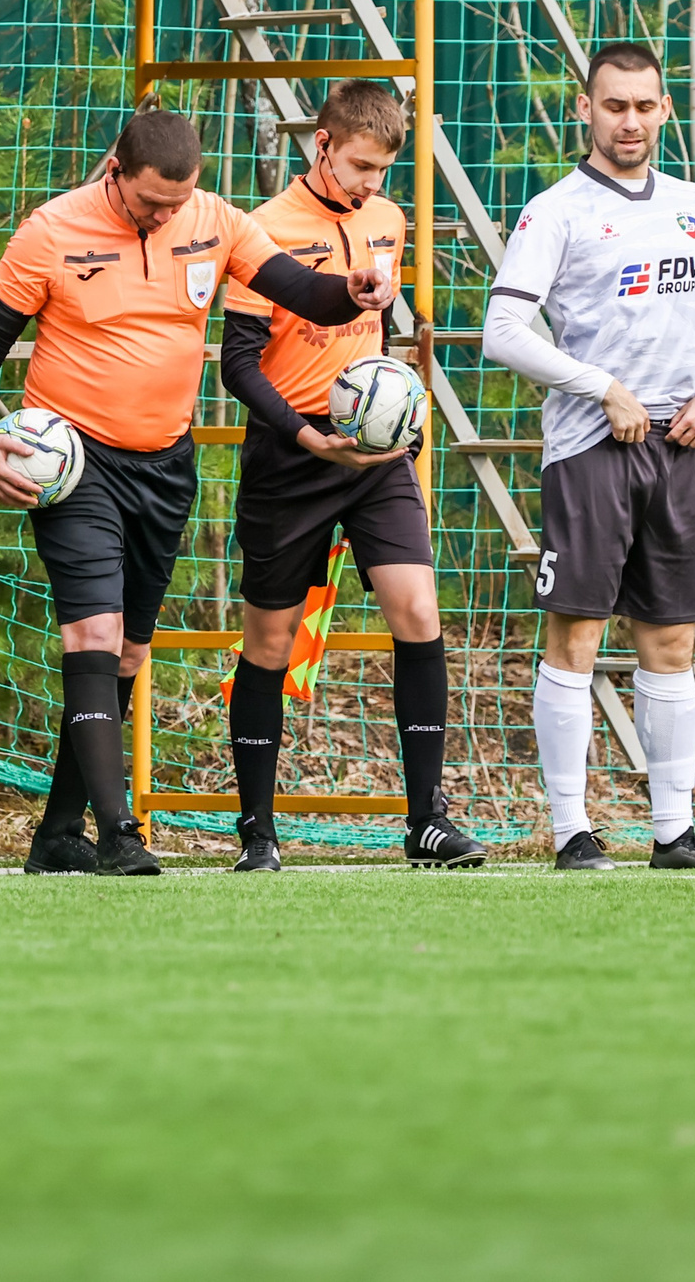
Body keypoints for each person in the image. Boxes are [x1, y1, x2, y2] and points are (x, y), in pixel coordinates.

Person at [0, 107, 395, 877]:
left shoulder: (213, 220)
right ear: (116, 170)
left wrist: (352, 290)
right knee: (91, 637)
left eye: (177, 201)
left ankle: (58, 835)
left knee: (126, 652)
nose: (164, 215)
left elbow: (301, 291)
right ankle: (120, 829)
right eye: (151, 202)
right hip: (74, 459)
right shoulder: (52, 230)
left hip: (165, 464)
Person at [484, 41, 695, 872]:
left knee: (672, 643)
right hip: (589, 449)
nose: (630, 121)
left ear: (664, 110)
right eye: (614, 106)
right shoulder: (555, 211)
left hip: (680, 445)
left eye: (644, 106)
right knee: (573, 635)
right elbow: (503, 330)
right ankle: (572, 831)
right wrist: (601, 385)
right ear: (586, 108)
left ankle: (672, 833)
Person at [217, 80, 484, 872]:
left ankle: (426, 820)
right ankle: (258, 830)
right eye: (359, 165)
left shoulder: (387, 220)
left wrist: (387, 402)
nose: (371, 183)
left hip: (375, 453)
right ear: (322, 143)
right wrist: (303, 432)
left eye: (382, 170)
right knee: (269, 640)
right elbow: (236, 362)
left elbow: (371, 324)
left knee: (417, 606)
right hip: (290, 452)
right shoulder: (262, 230)